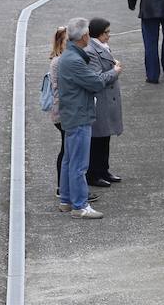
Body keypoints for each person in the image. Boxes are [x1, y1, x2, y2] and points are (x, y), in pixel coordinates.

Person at [56, 18, 121, 219]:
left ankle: (66, 199)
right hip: (79, 115)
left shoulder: (68, 56)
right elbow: (95, 82)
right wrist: (114, 72)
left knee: (69, 159)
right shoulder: (75, 61)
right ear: (84, 36)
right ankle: (80, 206)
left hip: (71, 114)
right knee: (79, 164)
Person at [47, 27, 100, 205]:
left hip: (64, 110)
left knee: (69, 152)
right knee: (71, 154)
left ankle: (66, 192)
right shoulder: (62, 62)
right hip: (66, 112)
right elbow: (88, 82)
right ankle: (70, 192)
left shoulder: (64, 60)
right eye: (67, 41)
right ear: (61, 43)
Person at [84, 18, 124, 187]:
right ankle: (94, 174)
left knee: (105, 137)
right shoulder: (92, 50)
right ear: (98, 33)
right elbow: (97, 78)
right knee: (97, 139)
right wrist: (114, 71)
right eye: (106, 32)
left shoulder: (101, 47)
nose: (109, 35)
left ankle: (104, 170)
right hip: (99, 100)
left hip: (106, 100)